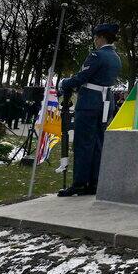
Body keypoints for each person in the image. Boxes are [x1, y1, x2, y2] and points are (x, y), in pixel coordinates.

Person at [58, 22, 123, 197]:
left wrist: (64, 83)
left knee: (83, 143)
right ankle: (93, 182)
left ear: (101, 37)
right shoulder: (116, 57)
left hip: (90, 103)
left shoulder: (97, 55)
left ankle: (79, 183)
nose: (95, 40)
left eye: (96, 37)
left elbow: (82, 77)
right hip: (106, 103)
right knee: (97, 143)